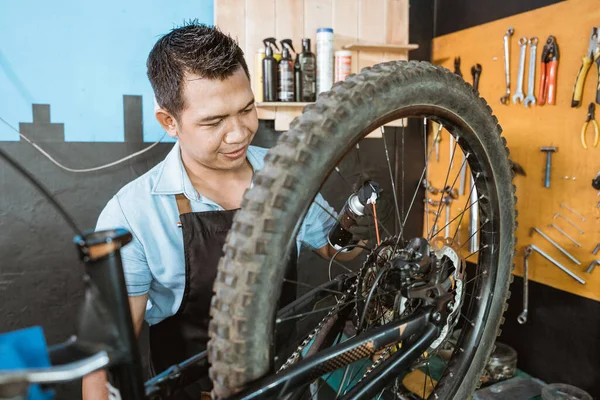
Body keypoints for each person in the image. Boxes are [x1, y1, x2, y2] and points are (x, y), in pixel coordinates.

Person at [82, 22, 372, 399]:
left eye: (246, 109)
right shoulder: (133, 214)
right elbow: (104, 358)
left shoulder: (285, 173)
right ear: (169, 121)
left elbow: (337, 250)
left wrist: (374, 240)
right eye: (214, 121)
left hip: (285, 384)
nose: (238, 133)